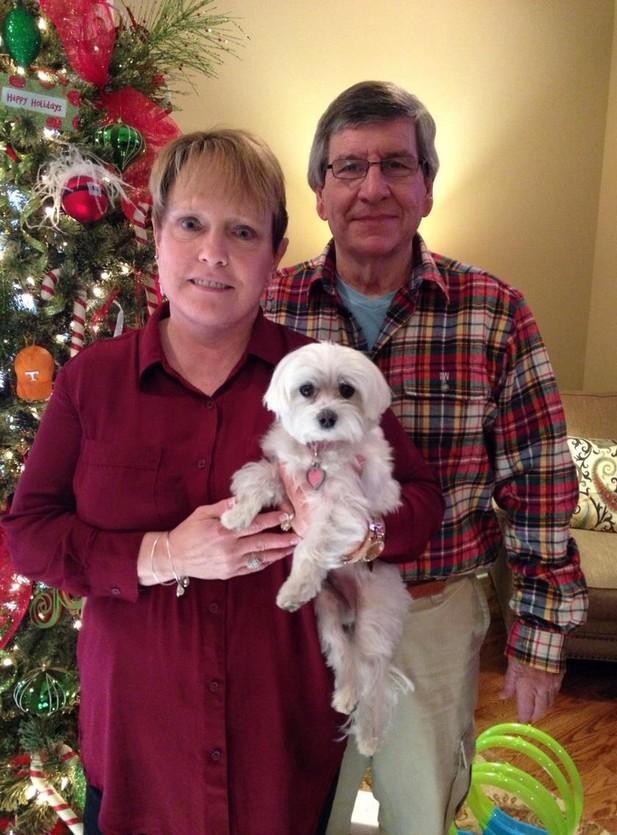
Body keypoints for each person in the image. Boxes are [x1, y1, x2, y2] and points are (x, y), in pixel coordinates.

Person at [3, 128, 444, 835]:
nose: (213, 252)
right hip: (141, 748)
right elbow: (28, 534)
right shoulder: (93, 381)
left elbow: (421, 504)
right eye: (191, 224)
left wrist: (356, 533)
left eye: (242, 231)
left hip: (278, 747)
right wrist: (162, 553)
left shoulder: (319, 377)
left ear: (274, 254)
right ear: (157, 235)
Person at [264, 81, 589, 835]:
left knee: (421, 815)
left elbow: (540, 485)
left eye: (396, 164)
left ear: (427, 186)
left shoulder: (493, 312)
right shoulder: (271, 306)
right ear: (320, 193)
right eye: (349, 167)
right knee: (295, 813)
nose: (372, 187)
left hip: (434, 614)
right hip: (299, 617)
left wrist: (538, 641)